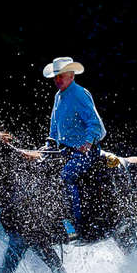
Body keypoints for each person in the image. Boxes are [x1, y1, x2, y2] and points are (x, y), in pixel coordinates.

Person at [42, 57, 107, 234]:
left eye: (60, 76)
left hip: (86, 151)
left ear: (71, 75)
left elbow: (93, 123)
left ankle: (79, 227)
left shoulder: (79, 94)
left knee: (66, 176)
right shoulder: (58, 96)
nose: (57, 80)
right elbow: (55, 125)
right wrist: (49, 142)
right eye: (55, 77)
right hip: (65, 150)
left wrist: (87, 143)